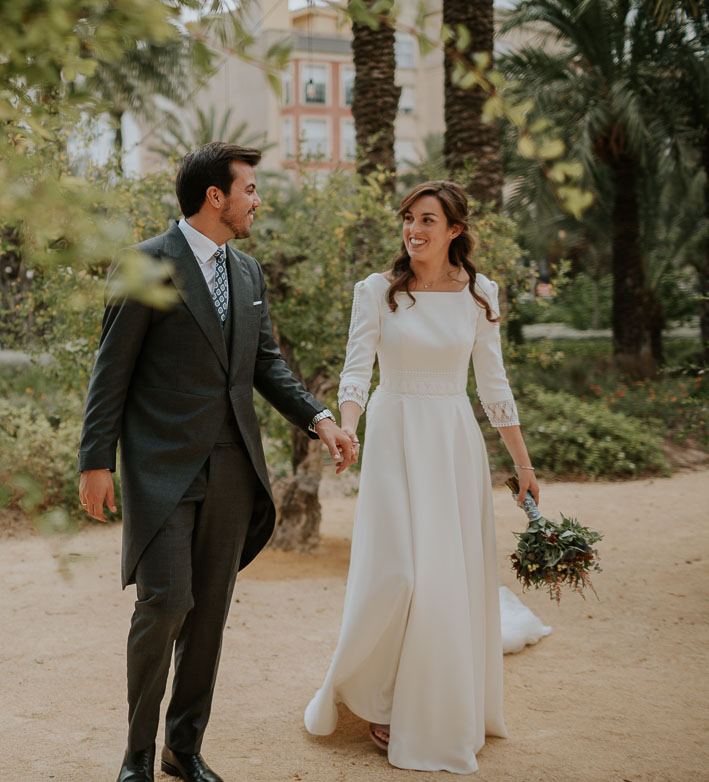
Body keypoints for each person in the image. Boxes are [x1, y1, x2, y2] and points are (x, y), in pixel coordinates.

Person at [78, 142, 356, 782]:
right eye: (251, 189)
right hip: (161, 468)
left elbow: (265, 364)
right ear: (216, 197)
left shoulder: (249, 273)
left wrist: (319, 419)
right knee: (165, 604)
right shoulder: (144, 263)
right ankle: (137, 756)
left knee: (208, 615)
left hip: (234, 467)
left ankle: (184, 747)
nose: (258, 201)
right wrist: (97, 460)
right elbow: (109, 373)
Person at [303, 180, 540, 774]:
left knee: (441, 578)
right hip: (391, 436)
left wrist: (523, 465)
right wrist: (348, 427)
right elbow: (357, 370)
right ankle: (377, 695)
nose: (414, 230)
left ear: (455, 230)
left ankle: (420, 703)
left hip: (453, 441)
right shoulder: (377, 291)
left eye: (428, 220)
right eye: (408, 218)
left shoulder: (480, 293)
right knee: (399, 571)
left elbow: (494, 386)